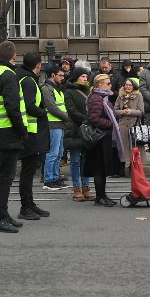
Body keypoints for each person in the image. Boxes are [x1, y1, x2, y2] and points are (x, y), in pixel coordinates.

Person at [0, 42, 29, 235]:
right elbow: (12, 107)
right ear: (14, 56)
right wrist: (21, 131)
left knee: (3, 177)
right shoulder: (9, 75)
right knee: (5, 178)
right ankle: (0, 218)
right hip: (8, 132)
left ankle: (3, 214)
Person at [14, 53, 49, 224]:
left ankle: (30, 204)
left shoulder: (24, 77)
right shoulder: (28, 81)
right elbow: (29, 106)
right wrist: (44, 112)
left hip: (30, 131)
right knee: (27, 172)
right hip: (31, 132)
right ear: (37, 65)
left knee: (29, 172)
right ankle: (25, 207)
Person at [86, 73, 125, 207]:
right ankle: (100, 197)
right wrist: (111, 124)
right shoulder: (96, 98)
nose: (111, 85)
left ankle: (102, 195)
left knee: (102, 169)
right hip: (100, 138)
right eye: (108, 83)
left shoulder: (103, 97)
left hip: (105, 137)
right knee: (99, 169)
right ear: (99, 85)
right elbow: (94, 118)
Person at [63, 69, 94, 202]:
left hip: (87, 129)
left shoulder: (89, 91)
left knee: (86, 160)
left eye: (86, 76)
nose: (85, 79)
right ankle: (76, 188)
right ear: (76, 78)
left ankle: (86, 187)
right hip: (75, 129)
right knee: (75, 159)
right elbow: (71, 110)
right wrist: (85, 119)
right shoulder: (69, 91)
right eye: (83, 76)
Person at [41, 66, 70, 192]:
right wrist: (67, 117)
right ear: (53, 75)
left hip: (60, 123)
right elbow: (52, 107)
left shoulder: (56, 89)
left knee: (58, 153)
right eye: (60, 75)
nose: (63, 78)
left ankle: (55, 177)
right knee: (53, 153)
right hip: (53, 123)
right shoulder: (47, 89)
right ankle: (49, 179)